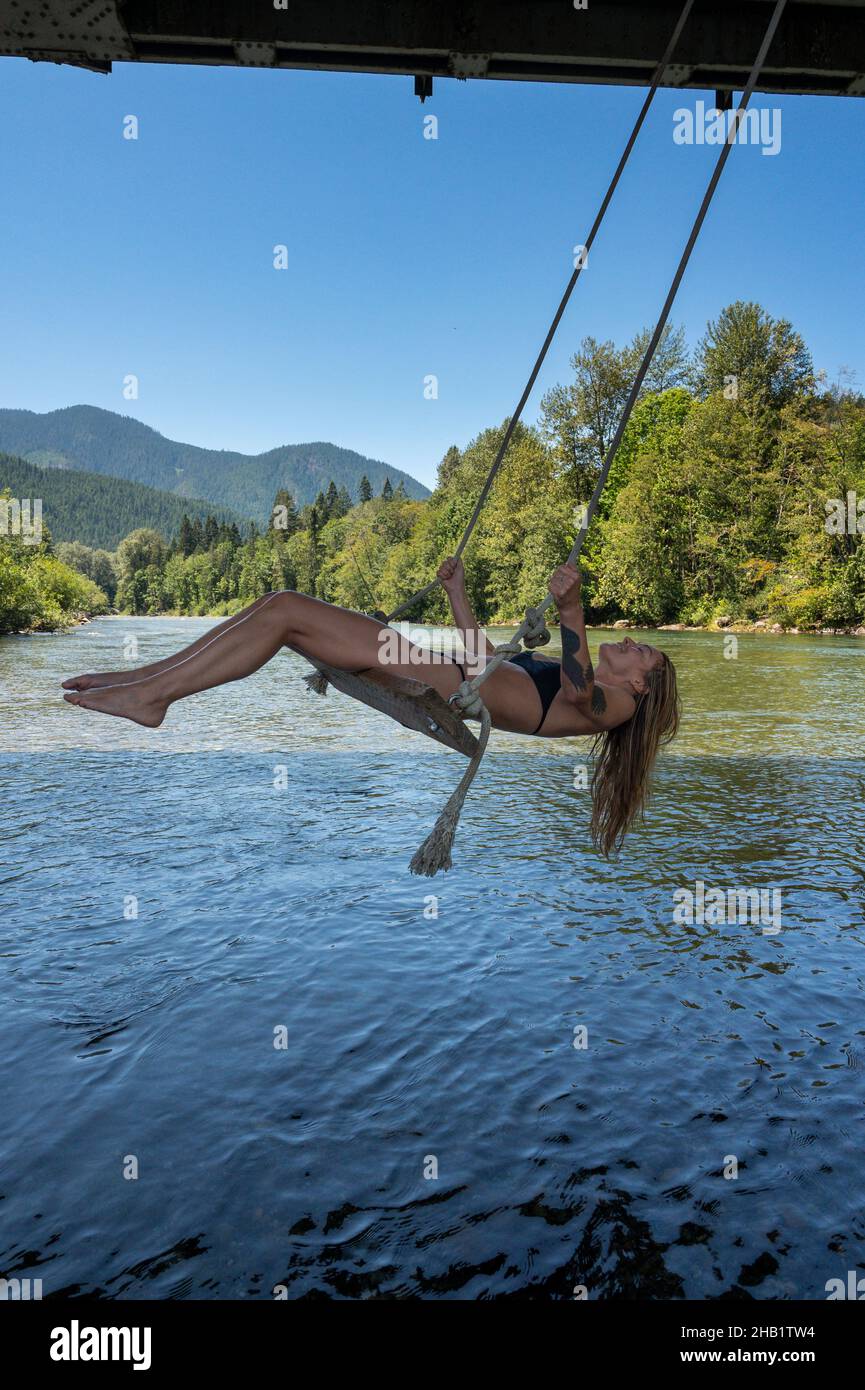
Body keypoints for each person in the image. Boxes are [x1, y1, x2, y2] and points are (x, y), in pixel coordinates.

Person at [62, 557, 680, 854]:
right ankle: (148, 679)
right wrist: (457, 592)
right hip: (430, 663)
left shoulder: (618, 706)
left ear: (643, 685)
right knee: (280, 609)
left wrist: (572, 614)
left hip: (427, 675)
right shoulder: (584, 679)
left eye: (640, 650)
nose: (627, 643)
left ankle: (152, 695)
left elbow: (576, 692)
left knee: (285, 612)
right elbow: (483, 656)